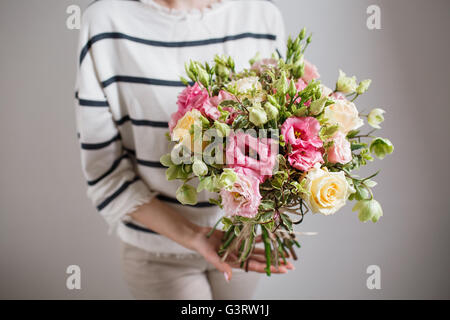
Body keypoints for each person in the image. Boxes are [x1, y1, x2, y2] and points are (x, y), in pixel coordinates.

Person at [74, 0, 293, 300]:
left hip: (242, 243)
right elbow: (105, 171)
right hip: (158, 252)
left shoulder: (262, 16)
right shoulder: (105, 22)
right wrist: (193, 235)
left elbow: (279, 135)